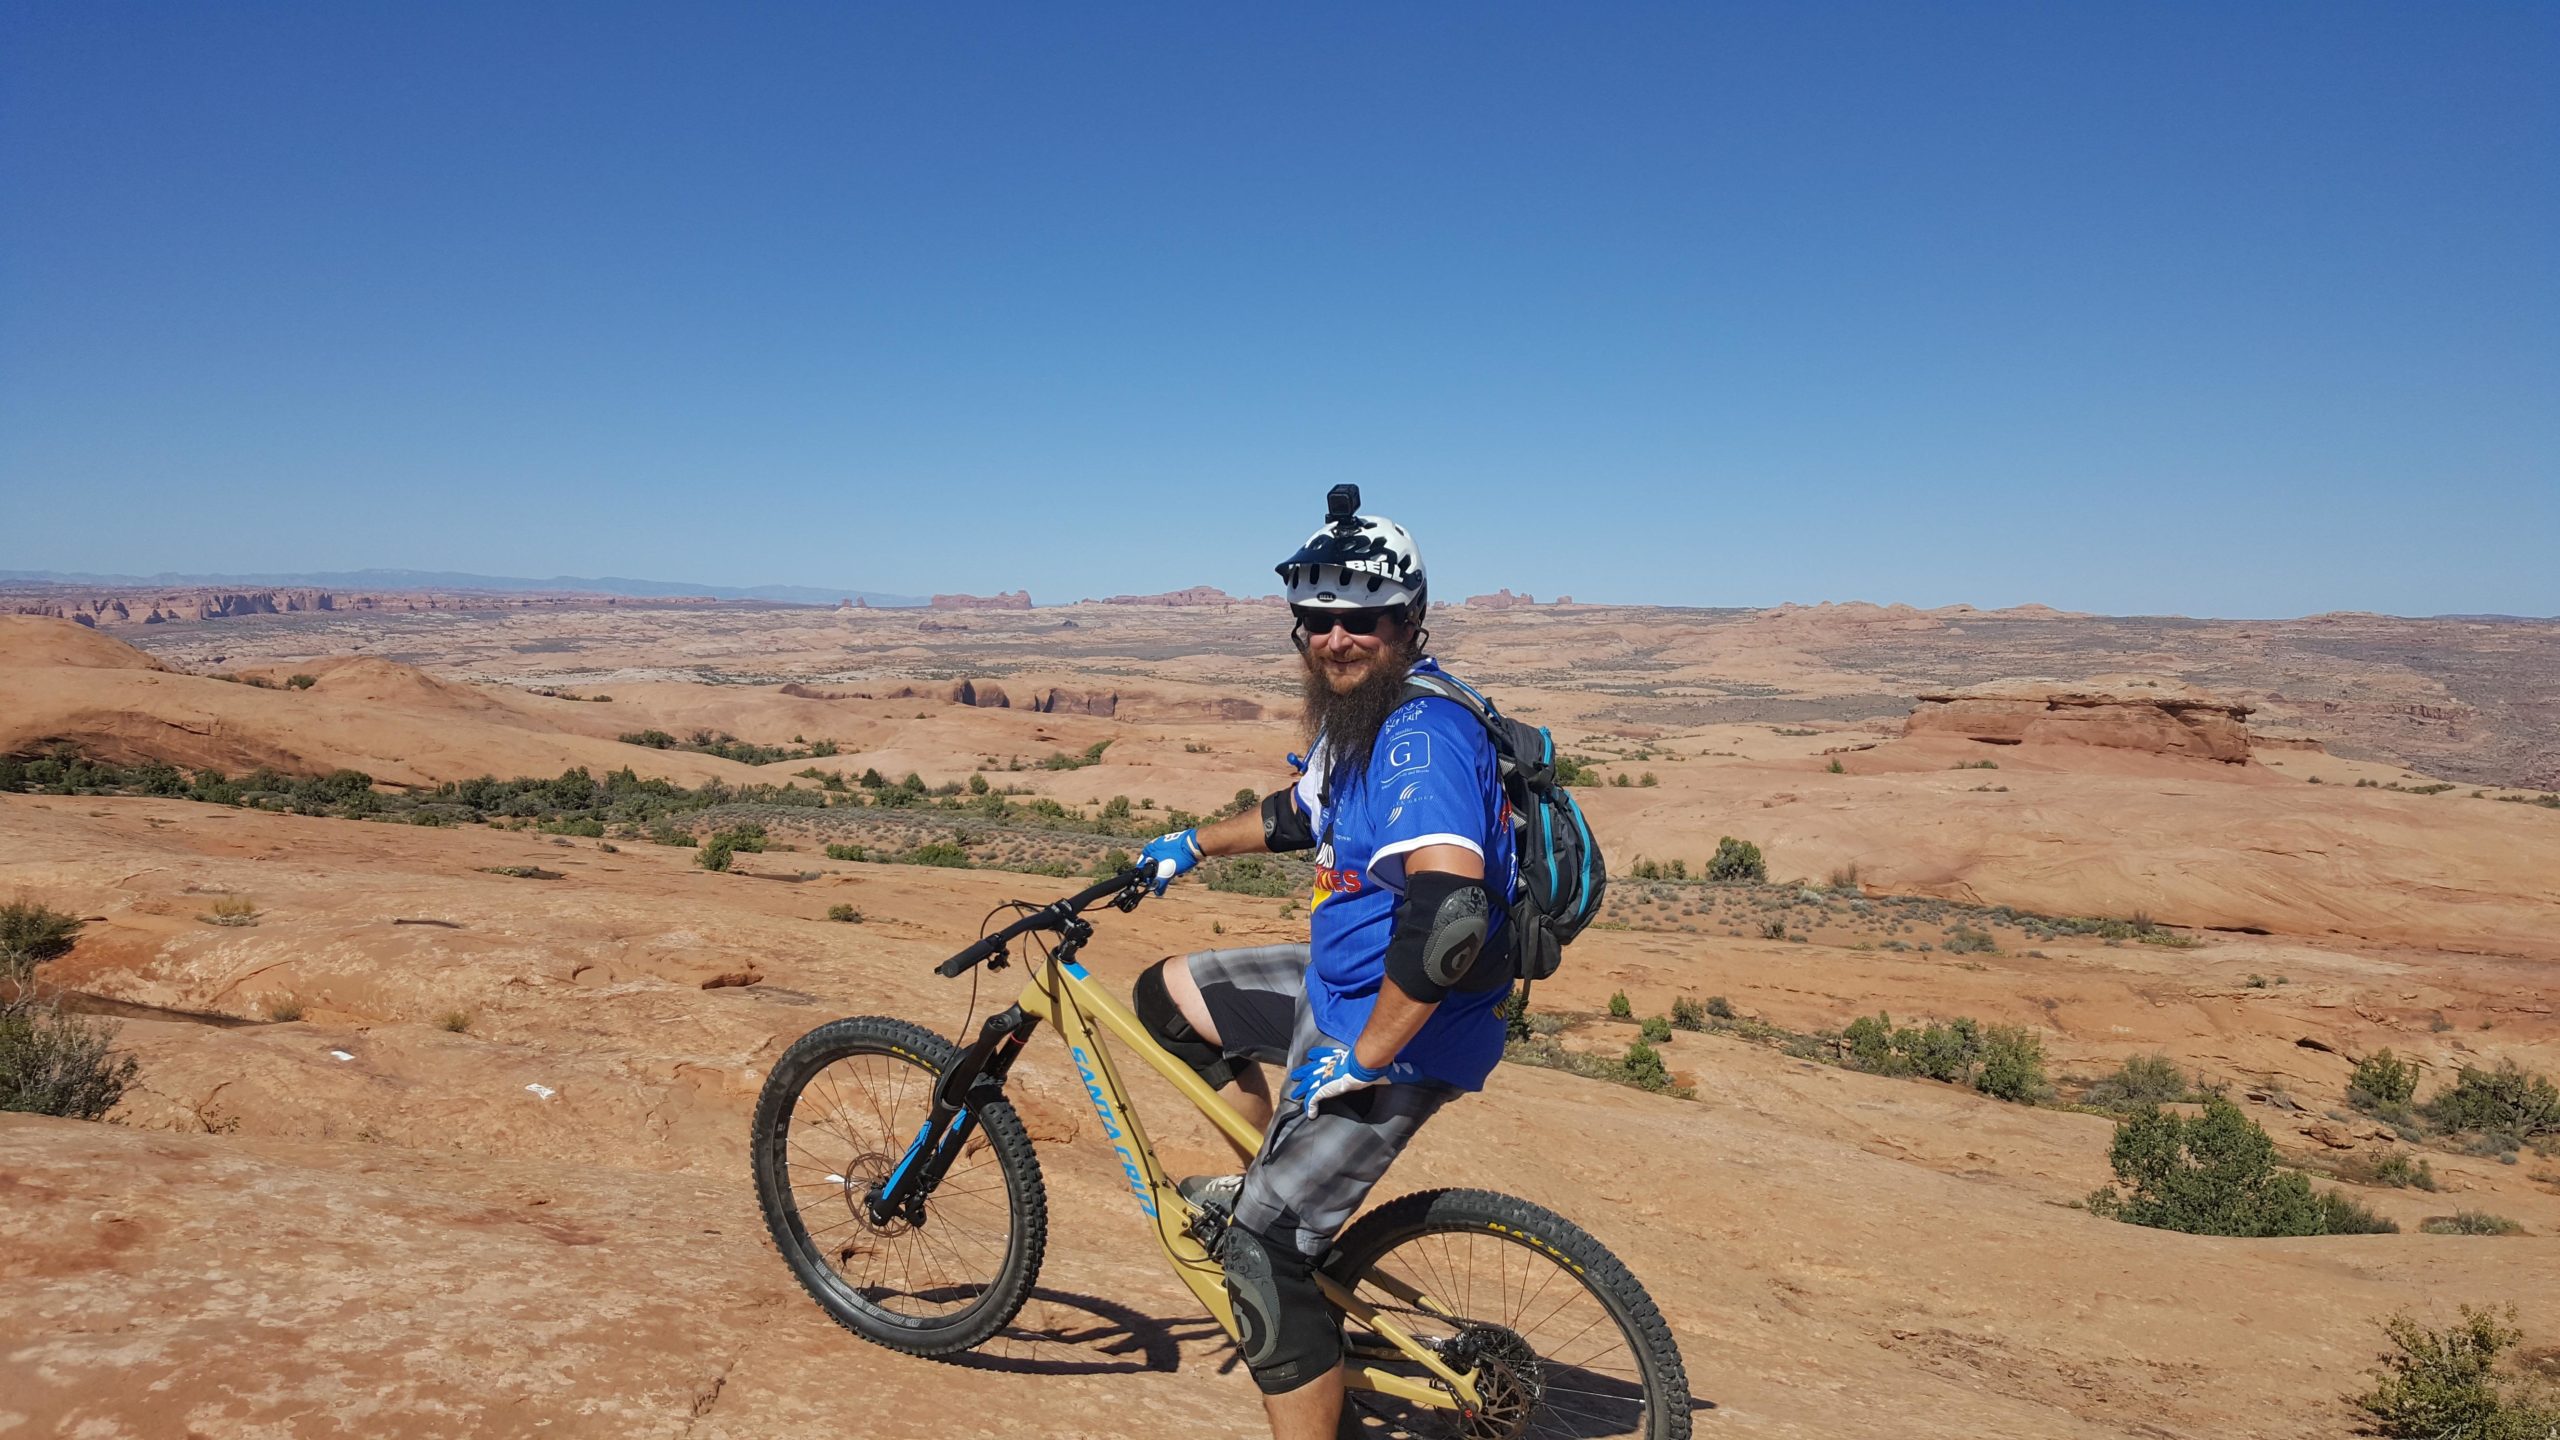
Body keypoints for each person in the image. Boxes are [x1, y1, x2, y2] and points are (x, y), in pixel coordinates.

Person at [1130, 489, 1518, 1439]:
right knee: (1170, 998)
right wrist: (1190, 844)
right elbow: (1300, 812)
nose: (1335, 638)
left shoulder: (1422, 736)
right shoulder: (1364, 718)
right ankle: (1273, 1175)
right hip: (1337, 986)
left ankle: (1279, 1237)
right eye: (1317, 619)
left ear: (1408, 620)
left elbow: (1453, 909)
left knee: (1260, 1258)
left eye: (1361, 618)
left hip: (1406, 1024)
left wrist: (1373, 1054)